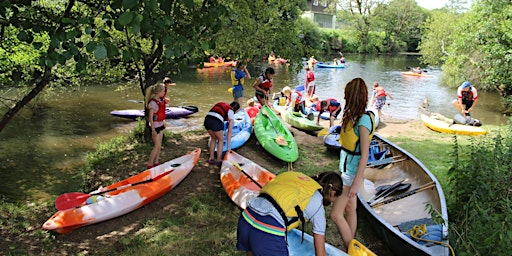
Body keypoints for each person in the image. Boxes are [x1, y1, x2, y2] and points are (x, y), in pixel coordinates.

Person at [236, 171, 343, 256]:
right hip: (266, 231)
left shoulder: (296, 176)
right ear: (333, 192)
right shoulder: (318, 205)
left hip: (246, 218)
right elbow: (320, 253)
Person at [331, 77, 376, 250]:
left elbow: (364, 155)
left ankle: (351, 248)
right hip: (347, 168)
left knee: (336, 214)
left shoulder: (363, 121)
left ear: (353, 97)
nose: (344, 98)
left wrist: (356, 183)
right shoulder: (352, 116)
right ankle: (346, 247)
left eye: (347, 95)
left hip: (351, 175)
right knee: (350, 208)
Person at [204, 101, 240, 166]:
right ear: (236, 110)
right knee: (221, 140)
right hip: (216, 121)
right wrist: (229, 147)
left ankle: (211, 158)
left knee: (213, 138)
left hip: (207, 120)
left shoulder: (222, 104)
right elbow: (229, 131)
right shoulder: (231, 112)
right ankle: (218, 160)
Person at [145, 83, 167, 169]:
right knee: (157, 146)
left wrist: (163, 122)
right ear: (158, 92)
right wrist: (153, 130)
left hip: (160, 125)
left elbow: (161, 113)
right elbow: (150, 118)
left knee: (159, 145)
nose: (164, 92)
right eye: (163, 91)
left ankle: (156, 161)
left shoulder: (160, 100)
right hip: (155, 127)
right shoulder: (153, 103)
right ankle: (149, 164)